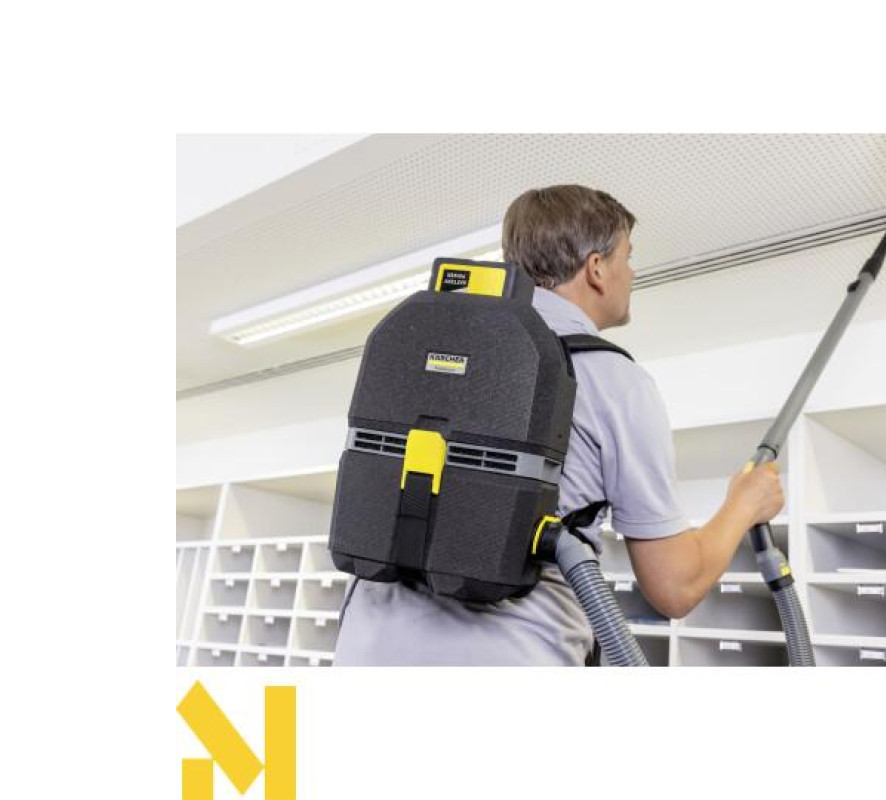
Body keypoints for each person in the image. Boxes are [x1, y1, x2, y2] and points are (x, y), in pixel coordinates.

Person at [333, 184, 784, 666]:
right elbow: (674, 586)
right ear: (596, 268)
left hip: (362, 651)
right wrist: (744, 503)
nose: (632, 273)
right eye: (628, 257)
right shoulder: (614, 379)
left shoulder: (418, 347)